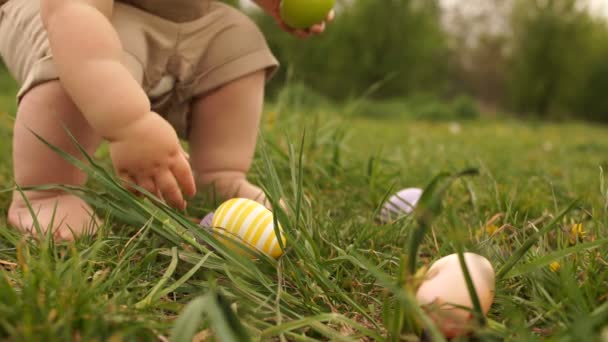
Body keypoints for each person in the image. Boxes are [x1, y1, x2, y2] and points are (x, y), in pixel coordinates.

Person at [0, 0, 334, 241]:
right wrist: (129, 123)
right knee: (73, 58)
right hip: (73, 12)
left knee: (238, 39)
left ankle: (221, 174)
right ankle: (47, 191)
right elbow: (73, 14)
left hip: (186, 15)